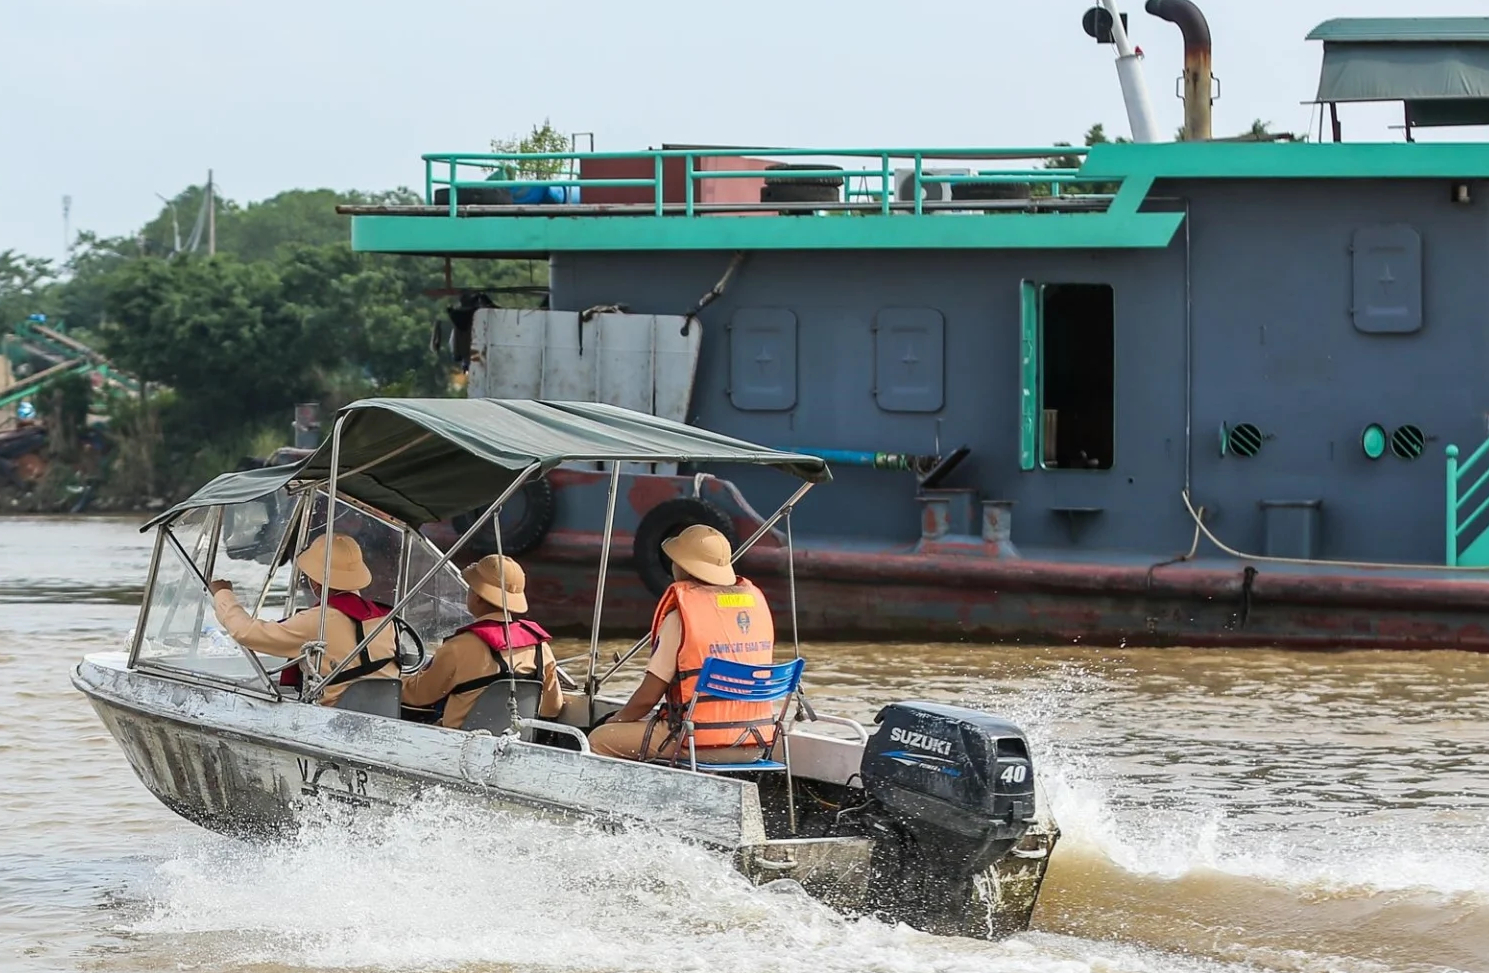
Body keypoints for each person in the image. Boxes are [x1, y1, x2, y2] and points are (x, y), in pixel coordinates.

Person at [589, 524, 776, 764]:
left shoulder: (681, 619)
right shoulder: (755, 610)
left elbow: (647, 698)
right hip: (756, 743)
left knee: (600, 738)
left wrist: (616, 720)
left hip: (700, 743)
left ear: (684, 567)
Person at [209, 533, 399, 707]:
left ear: (315, 581)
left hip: (334, 720)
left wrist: (222, 594)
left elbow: (246, 632)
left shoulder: (318, 621)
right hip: (385, 714)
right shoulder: (386, 619)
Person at [402, 554, 563, 729]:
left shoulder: (458, 647)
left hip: (460, 746)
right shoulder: (540, 647)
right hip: (514, 744)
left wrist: (393, 680)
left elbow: (418, 695)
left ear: (477, 597)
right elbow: (552, 708)